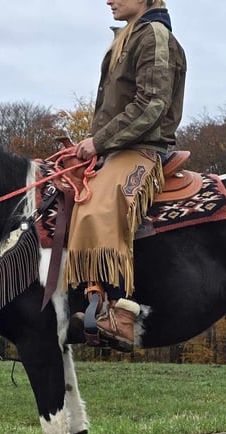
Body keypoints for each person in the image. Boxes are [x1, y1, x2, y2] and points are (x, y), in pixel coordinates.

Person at [68, 0, 187, 351]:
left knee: (99, 205)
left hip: (143, 148)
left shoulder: (153, 35)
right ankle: (81, 295)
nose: (109, 0)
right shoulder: (128, 36)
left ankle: (121, 312)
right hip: (115, 147)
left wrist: (99, 141)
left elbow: (152, 104)